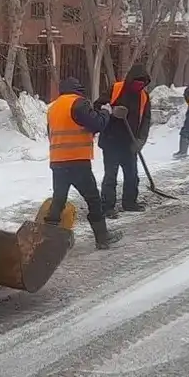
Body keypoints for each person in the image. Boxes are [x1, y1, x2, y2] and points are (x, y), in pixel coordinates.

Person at [47, 77, 123, 250]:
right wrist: (105, 112)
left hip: (58, 161)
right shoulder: (79, 103)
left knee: (59, 200)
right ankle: (102, 238)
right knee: (93, 200)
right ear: (78, 90)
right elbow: (97, 124)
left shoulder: (53, 108)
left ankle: (47, 240)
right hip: (77, 161)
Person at [93, 64, 152, 219]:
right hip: (111, 141)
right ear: (130, 80)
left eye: (142, 83)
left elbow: (146, 120)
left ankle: (130, 202)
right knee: (111, 176)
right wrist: (112, 111)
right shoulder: (116, 89)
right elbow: (97, 105)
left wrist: (140, 140)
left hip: (130, 143)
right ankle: (107, 207)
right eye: (137, 82)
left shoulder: (144, 97)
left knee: (132, 174)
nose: (139, 85)